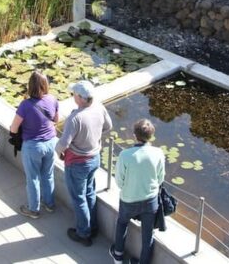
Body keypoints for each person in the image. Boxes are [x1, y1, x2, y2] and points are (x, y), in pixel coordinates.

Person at [55, 80, 112, 247]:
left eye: (74, 94)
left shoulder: (75, 117)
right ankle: (93, 227)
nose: (73, 97)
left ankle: (83, 233)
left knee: (79, 198)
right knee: (89, 193)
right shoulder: (100, 108)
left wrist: (59, 153)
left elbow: (63, 143)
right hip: (94, 159)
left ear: (80, 98)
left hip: (77, 163)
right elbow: (108, 126)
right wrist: (94, 136)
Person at [109, 119, 165, 264]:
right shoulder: (158, 153)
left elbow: (119, 181)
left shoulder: (125, 155)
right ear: (151, 136)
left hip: (129, 199)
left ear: (135, 135)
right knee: (148, 235)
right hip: (150, 200)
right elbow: (160, 178)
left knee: (122, 223)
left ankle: (118, 256)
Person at [10, 71, 59, 219]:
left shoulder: (25, 105)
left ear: (30, 86)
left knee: (33, 178)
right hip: (51, 143)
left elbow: (13, 128)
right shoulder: (53, 99)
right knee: (48, 175)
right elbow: (56, 120)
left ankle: (33, 209)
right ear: (46, 85)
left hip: (33, 146)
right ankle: (49, 204)